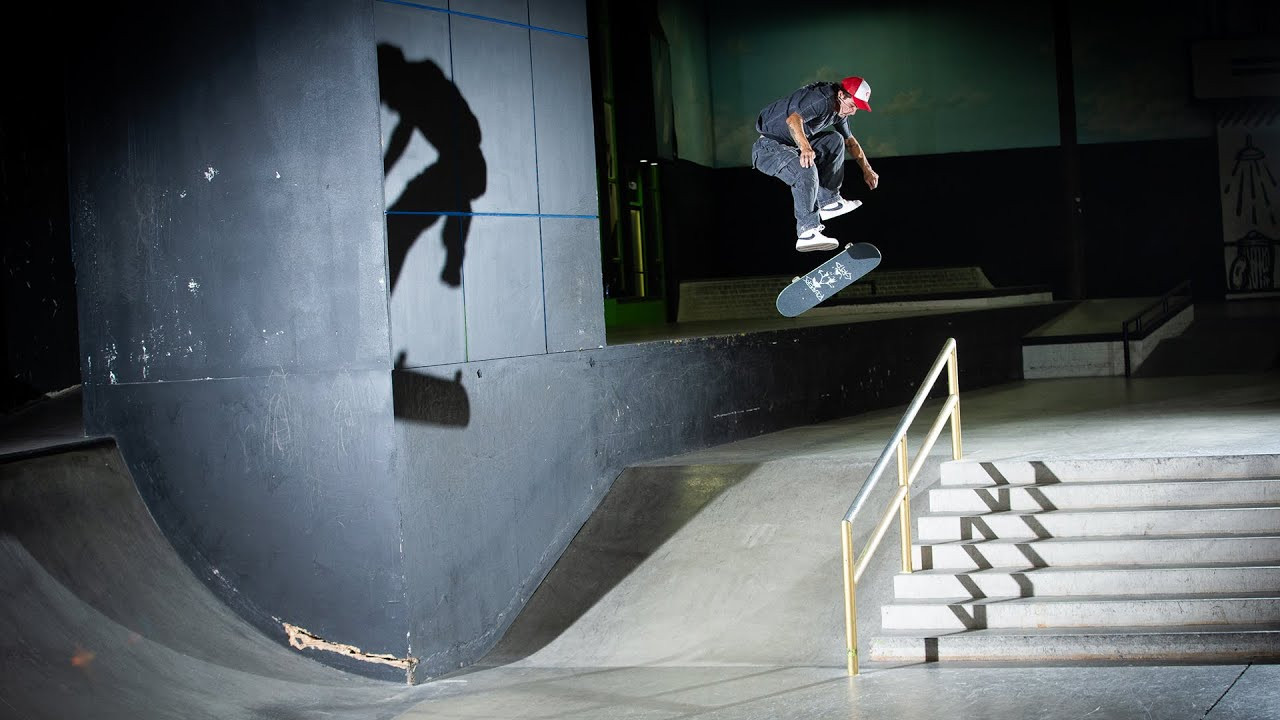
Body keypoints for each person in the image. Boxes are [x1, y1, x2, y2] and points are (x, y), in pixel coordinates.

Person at [751, 76, 879, 252]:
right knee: (806, 166)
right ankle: (807, 232)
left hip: (790, 146)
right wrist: (805, 148)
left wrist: (867, 169)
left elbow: (850, 141)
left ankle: (828, 201)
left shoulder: (839, 111)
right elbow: (793, 120)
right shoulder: (821, 99)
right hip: (768, 148)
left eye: (857, 107)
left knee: (836, 140)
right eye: (852, 105)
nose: (853, 112)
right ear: (841, 94)